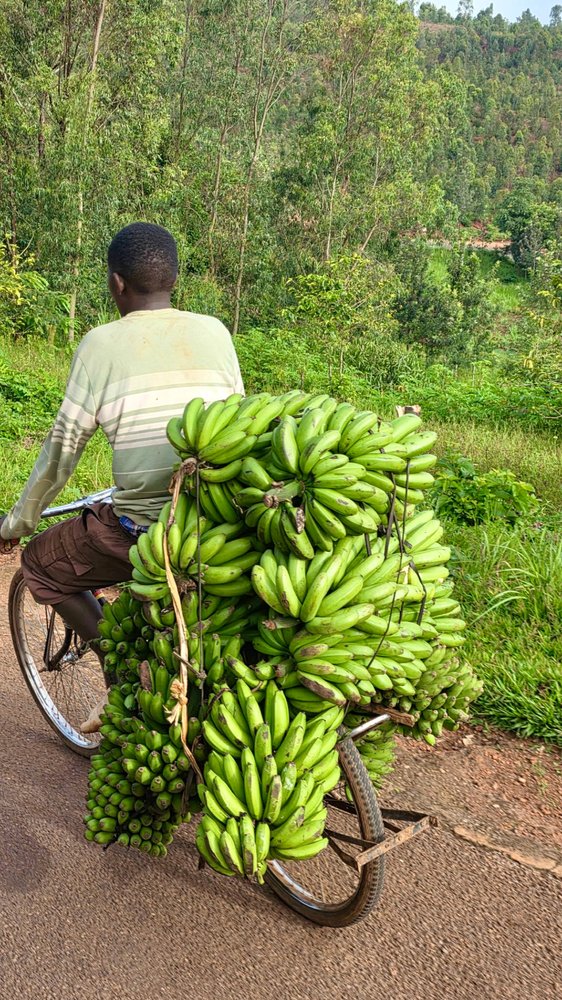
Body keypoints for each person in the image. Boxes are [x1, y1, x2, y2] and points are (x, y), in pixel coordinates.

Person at [0, 222, 244, 727]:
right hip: (220, 523)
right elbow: (237, 423)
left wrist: (17, 523)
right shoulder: (216, 332)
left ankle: (119, 674)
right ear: (176, 278)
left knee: (41, 563)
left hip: (144, 530)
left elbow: (61, 453)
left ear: (116, 283)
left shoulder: (99, 345)